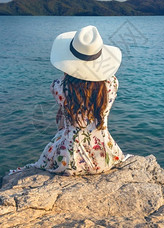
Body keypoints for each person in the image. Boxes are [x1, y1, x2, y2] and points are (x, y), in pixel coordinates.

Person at [10, 25, 125, 175]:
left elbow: (65, 116)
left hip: (69, 160)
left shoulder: (58, 86)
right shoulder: (112, 83)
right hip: (105, 156)